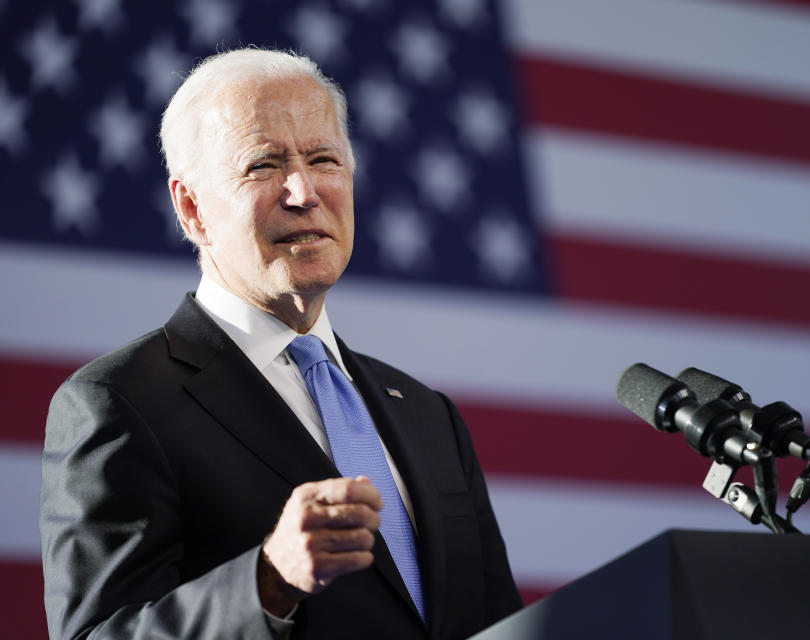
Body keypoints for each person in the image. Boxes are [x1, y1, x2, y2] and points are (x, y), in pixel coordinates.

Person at [39, 48, 522, 640]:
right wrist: (268, 581)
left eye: (324, 159)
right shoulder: (118, 402)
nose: (304, 191)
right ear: (191, 209)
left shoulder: (428, 413)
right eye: (264, 166)